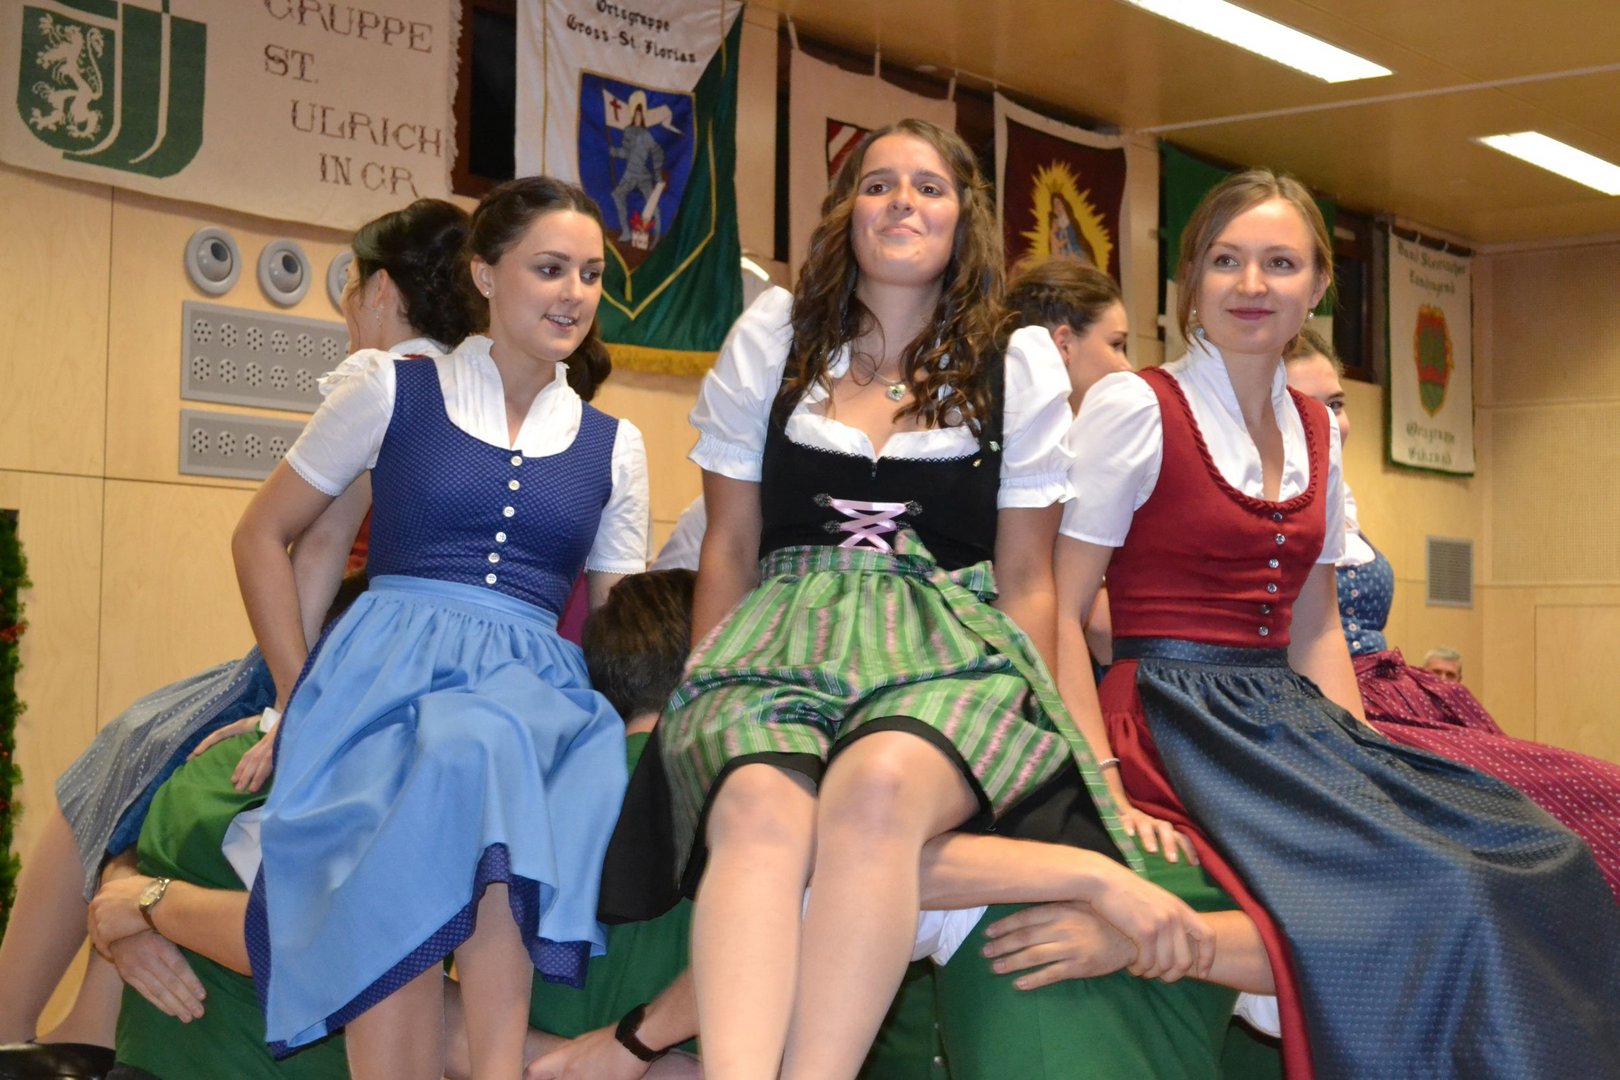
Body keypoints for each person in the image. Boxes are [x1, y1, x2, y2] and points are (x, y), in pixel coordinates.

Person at [642, 118, 1209, 1080]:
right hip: (778, 638)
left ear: (962, 217)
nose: (902, 201)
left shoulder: (1015, 361)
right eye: (878, 185)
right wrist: (705, 679)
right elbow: (731, 544)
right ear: (844, 213)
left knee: (879, 788)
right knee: (754, 803)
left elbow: (1028, 578)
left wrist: (1064, 736)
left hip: (947, 646)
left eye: (929, 186)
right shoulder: (773, 338)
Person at [1057, 168, 1620, 1079]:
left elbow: (1315, 622)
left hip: (1284, 713)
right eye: (1226, 261)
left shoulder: (1316, 430)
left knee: (1541, 851)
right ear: (1189, 279)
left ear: (1318, 285)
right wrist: (1102, 773)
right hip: (1170, 712)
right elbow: (1059, 602)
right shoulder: (1136, 405)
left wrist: (1363, 761)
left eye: (1280, 264)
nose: (1251, 285)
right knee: (1438, 884)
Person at [0, 199, 474, 1078]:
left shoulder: (384, 378)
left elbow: (283, 540)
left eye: (347, 290)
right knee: (155, 746)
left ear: (378, 291)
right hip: (407, 649)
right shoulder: (478, 388)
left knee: (135, 746)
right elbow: (326, 543)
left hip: (357, 651)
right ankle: (85, 1014)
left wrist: (295, 697)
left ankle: (19, 1018)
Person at [232, 175, 649, 1079]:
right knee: (454, 772)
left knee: (486, 747)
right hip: (382, 681)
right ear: (486, 275)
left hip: (533, 698)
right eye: (550, 268)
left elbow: (621, 622)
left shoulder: (615, 445)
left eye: (589, 275)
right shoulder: (392, 389)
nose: (575, 293)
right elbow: (262, 535)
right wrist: (299, 695)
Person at [1285, 329, 1620, 901]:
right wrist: (1356, 740)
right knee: (1561, 812)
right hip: (1335, 707)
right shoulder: (1258, 502)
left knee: (1592, 796)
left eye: (1336, 403)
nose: (1332, 423)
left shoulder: (1339, 495)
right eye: (1307, 407)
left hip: (1400, 692)